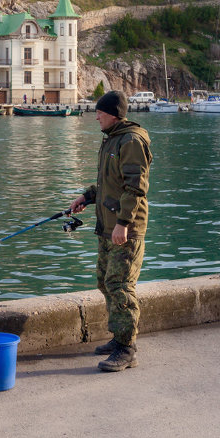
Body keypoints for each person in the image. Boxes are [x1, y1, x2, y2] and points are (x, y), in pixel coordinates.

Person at [67, 90, 152, 372]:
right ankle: (119, 339)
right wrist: (86, 196)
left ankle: (127, 349)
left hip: (124, 230)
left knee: (120, 285)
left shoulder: (131, 141)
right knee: (105, 282)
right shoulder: (112, 140)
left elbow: (135, 187)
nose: (96, 118)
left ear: (113, 114)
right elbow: (108, 184)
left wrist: (124, 224)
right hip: (108, 227)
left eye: (100, 113)